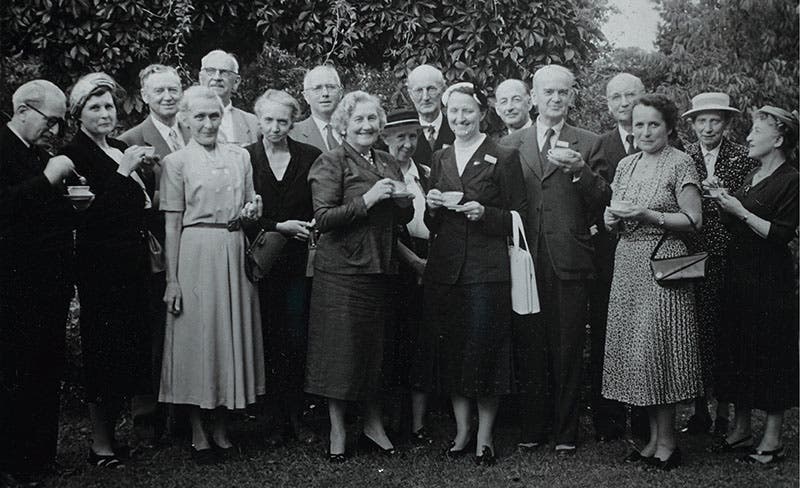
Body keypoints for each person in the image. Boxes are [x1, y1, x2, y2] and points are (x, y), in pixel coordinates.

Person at [501, 65, 609, 455]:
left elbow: (603, 202)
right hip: (525, 259)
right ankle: (533, 427)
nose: (555, 99)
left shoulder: (590, 143)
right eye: (547, 92)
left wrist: (581, 173)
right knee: (529, 344)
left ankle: (566, 433)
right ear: (533, 97)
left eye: (563, 92)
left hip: (570, 258)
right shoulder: (511, 144)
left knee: (567, 346)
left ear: (572, 96)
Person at [304, 91, 414, 462]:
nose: (366, 126)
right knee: (339, 355)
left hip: (380, 268)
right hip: (342, 271)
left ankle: (372, 424)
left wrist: (403, 200)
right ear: (343, 126)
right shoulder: (330, 162)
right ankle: (337, 429)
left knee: (372, 352)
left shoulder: (386, 159)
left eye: (372, 120)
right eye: (358, 121)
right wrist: (367, 200)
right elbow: (323, 219)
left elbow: (399, 217)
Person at [159, 86, 265, 465]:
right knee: (197, 338)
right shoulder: (176, 163)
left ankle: (222, 427)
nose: (207, 123)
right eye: (199, 116)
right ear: (185, 119)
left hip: (234, 249)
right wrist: (172, 280)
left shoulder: (240, 157)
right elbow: (171, 226)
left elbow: (252, 203)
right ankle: (197, 430)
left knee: (227, 336)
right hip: (195, 252)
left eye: (214, 115)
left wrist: (252, 210)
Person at [422, 82, 527, 466]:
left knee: (485, 350)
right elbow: (431, 224)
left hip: (487, 270)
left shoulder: (502, 155)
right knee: (452, 350)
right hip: (446, 270)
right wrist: (432, 206)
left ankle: (485, 437)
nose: (461, 118)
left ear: (482, 113)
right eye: (454, 112)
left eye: (468, 111)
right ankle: (461, 431)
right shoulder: (441, 156)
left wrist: (487, 215)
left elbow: (519, 215)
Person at [602, 93, 704, 471]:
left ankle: (669, 443)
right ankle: (651, 442)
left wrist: (650, 215)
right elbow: (612, 209)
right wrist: (613, 219)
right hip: (627, 263)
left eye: (653, 124)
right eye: (639, 124)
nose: (644, 131)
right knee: (636, 355)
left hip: (663, 265)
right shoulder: (626, 165)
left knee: (658, 353)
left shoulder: (680, 162)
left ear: (669, 128)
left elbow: (694, 219)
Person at [61, 72, 154, 468]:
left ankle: (118, 435)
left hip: (134, 264)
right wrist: (122, 173)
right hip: (101, 267)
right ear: (78, 114)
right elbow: (86, 218)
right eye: (95, 107)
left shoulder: (119, 147)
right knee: (104, 349)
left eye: (109, 106)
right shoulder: (72, 156)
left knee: (130, 348)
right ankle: (100, 442)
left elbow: (137, 206)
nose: (104, 113)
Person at [711, 106, 798, 465]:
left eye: (756, 132)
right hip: (739, 277)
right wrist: (722, 201)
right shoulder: (752, 174)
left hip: (770, 282)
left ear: (778, 139)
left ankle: (773, 439)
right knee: (739, 350)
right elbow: (736, 227)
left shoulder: (793, 180)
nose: (747, 137)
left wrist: (741, 211)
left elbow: (781, 235)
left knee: (771, 354)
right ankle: (742, 428)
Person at [0, 80, 75, 485]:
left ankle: (40, 455)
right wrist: (48, 177)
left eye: (61, 124)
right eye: (52, 121)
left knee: (46, 367)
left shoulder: (39, 153)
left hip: (50, 283)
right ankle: (12, 461)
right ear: (24, 110)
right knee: (15, 371)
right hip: (13, 286)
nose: (56, 131)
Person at [245, 89, 321, 446]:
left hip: (299, 261)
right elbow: (241, 215)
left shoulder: (310, 156)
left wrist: (303, 227)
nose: (275, 128)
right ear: (258, 120)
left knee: (296, 336)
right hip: (258, 261)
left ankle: (298, 416)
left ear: (293, 123)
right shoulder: (244, 158)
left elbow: (321, 205)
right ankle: (271, 419)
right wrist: (277, 227)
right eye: (269, 120)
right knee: (265, 337)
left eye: (283, 121)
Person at [119, 63, 189, 447]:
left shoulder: (194, 130)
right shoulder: (130, 140)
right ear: (144, 96)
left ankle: (183, 412)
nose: (167, 97)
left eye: (173, 89)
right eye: (159, 91)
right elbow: (132, 204)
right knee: (152, 332)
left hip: (192, 245)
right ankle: (149, 419)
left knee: (185, 328)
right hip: (155, 249)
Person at [680, 92, 757, 437]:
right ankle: (699, 410)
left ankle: (724, 410)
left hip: (731, 253)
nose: (708, 127)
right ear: (693, 125)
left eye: (715, 121)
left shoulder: (743, 157)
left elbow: (754, 203)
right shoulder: (684, 157)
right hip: (693, 252)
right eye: (701, 121)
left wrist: (726, 196)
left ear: (726, 124)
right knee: (696, 329)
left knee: (726, 329)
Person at [587, 72, 646, 442]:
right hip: (607, 256)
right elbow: (590, 199)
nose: (623, 103)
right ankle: (606, 419)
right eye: (616, 97)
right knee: (606, 336)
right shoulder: (600, 144)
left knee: (644, 337)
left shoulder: (660, 139)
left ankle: (644, 419)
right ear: (607, 104)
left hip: (649, 255)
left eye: (630, 95)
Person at [379, 109, 432, 443]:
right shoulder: (379, 173)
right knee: (392, 343)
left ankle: (418, 424)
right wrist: (412, 261)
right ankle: (390, 421)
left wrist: (428, 263)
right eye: (400, 137)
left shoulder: (425, 173)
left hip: (427, 261)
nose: (408, 144)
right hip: (395, 260)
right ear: (385, 139)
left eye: (413, 136)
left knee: (421, 343)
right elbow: (382, 230)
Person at [198, 49, 259, 146]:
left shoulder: (252, 124)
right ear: (201, 78)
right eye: (211, 71)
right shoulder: (182, 120)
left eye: (224, 73)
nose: (217, 77)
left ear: (236, 82)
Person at [407, 65, 455, 167]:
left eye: (431, 89)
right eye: (419, 90)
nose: (425, 97)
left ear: (442, 90)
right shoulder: (404, 136)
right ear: (411, 95)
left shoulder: (456, 130)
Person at [289, 65, 344, 152]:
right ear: (306, 96)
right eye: (317, 88)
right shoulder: (292, 135)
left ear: (340, 93)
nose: (325, 93)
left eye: (331, 87)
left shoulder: (357, 130)